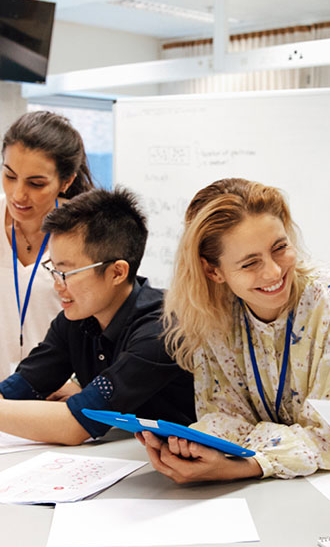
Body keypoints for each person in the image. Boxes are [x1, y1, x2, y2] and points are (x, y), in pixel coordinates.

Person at [139, 177, 330, 483]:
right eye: (249, 264)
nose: (273, 272)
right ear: (213, 271)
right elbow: (226, 420)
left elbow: (329, 439)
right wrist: (191, 446)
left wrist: (241, 465)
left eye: (280, 248)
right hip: (268, 487)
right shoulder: (214, 315)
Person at [0, 188, 195, 443]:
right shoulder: (76, 319)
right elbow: (18, 389)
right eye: (54, 270)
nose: (57, 284)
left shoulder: (162, 328)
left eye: (66, 272)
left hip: (193, 467)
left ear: (117, 272)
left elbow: (75, 425)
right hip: (128, 460)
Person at [1, 110, 93, 380]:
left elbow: (107, 326)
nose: (18, 194)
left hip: (56, 396)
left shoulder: (87, 234)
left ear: (66, 181)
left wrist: (78, 387)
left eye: (36, 183)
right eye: (9, 175)